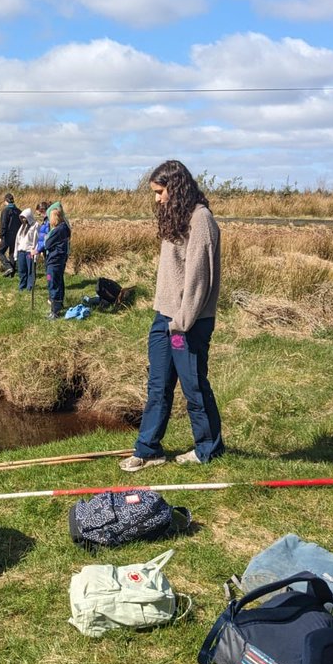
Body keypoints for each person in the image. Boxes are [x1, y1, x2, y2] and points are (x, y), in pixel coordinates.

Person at [120, 160, 224, 472]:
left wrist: (181, 323)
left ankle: (208, 448)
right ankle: (148, 449)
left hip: (188, 322)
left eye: (161, 191)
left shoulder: (201, 219)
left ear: (176, 188)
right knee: (158, 386)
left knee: (193, 387)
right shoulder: (175, 218)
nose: (157, 198)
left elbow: (198, 278)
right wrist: (166, 319)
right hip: (163, 318)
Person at [43, 202, 71, 319]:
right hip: (59, 260)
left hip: (54, 261)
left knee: (52, 282)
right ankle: (58, 304)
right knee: (58, 281)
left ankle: (55, 311)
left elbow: (47, 243)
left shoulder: (58, 230)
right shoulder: (64, 227)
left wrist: (46, 237)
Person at [0, 193, 22, 277]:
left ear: (5, 201)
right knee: (12, 254)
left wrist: (0, 237)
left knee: (0, 252)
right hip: (16, 236)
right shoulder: (19, 211)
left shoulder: (5, 211)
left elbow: (3, 225)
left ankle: (8, 267)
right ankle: (12, 272)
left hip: (7, 236)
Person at [14, 208, 38, 292]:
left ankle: (30, 287)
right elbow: (18, 240)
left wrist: (35, 251)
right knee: (22, 270)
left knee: (30, 269)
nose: (23, 219)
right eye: (22, 217)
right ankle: (22, 286)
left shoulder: (35, 225)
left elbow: (36, 239)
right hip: (21, 251)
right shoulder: (22, 226)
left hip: (29, 251)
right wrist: (16, 253)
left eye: (25, 217)